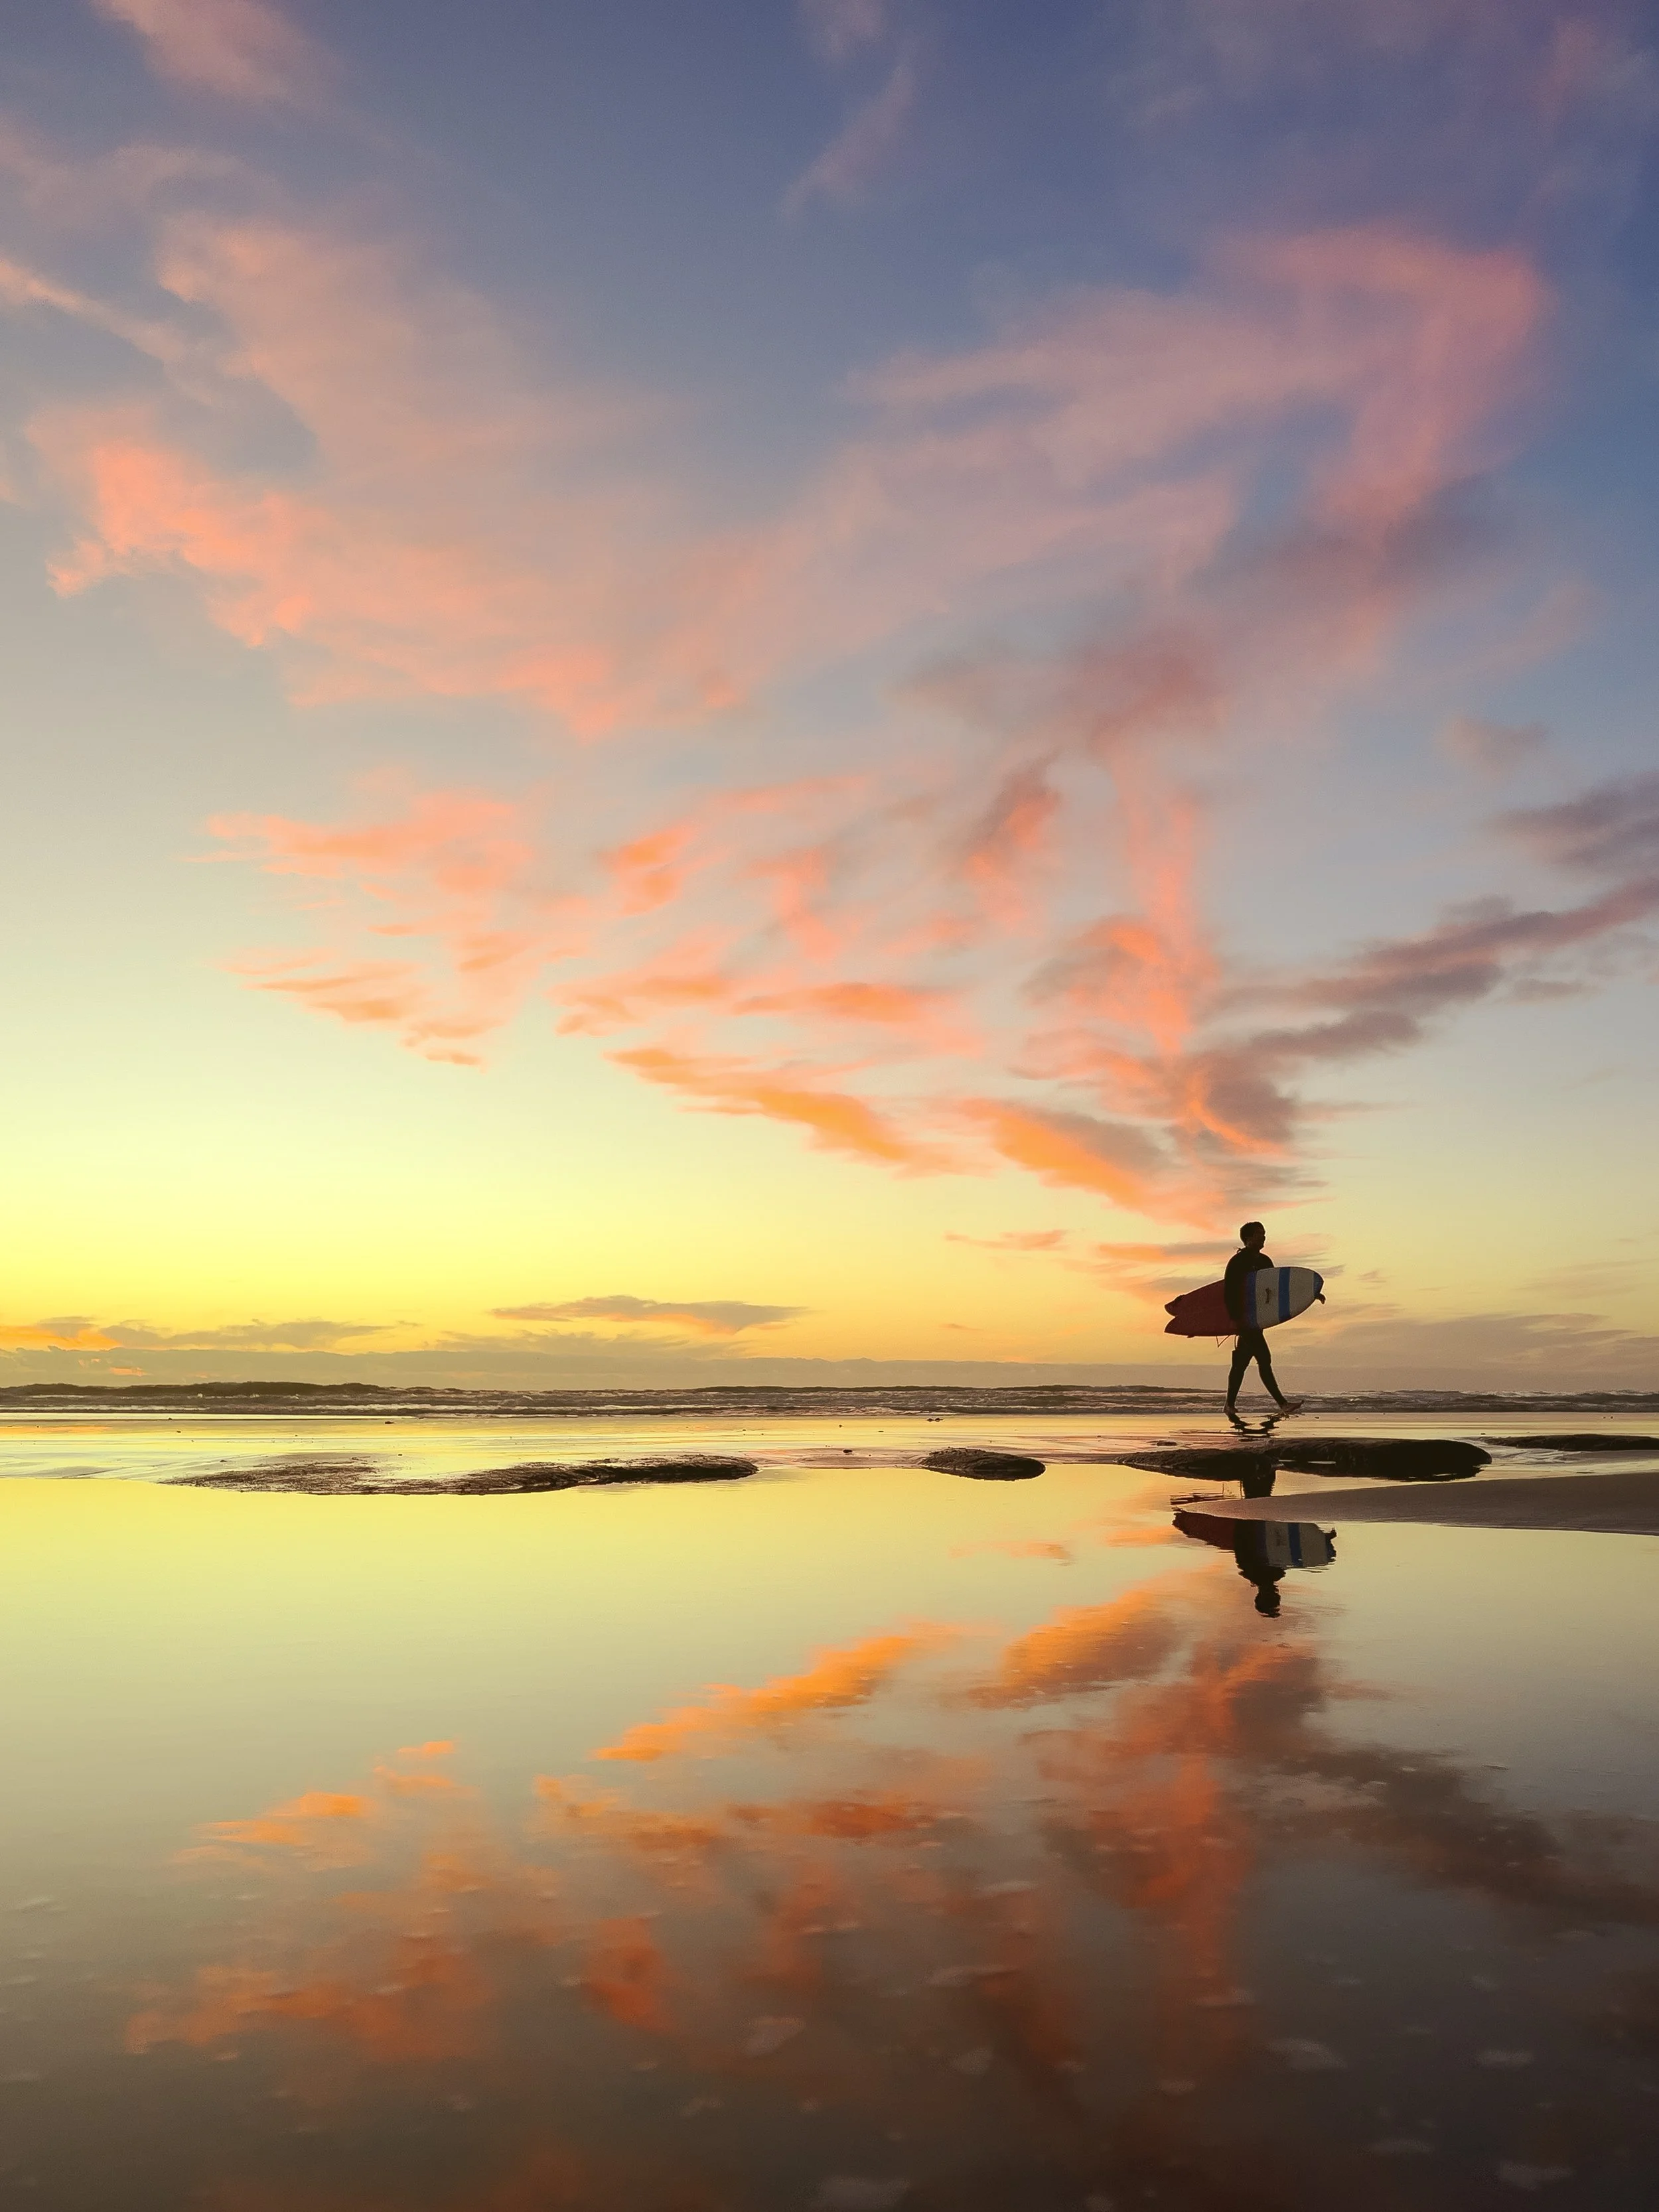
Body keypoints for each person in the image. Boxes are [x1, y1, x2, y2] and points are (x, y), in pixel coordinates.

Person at [1223, 1221, 1301, 1417]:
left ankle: (1228, 1405)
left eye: (1264, 1233)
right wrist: (1236, 1320)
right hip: (1246, 1319)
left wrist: (1311, 1294)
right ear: (1248, 1238)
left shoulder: (1266, 1262)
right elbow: (1229, 1292)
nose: (1264, 1237)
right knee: (1264, 1359)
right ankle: (1283, 1404)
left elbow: (1277, 1291)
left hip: (1258, 1320)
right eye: (1259, 1234)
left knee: (1241, 1363)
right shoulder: (1237, 1262)